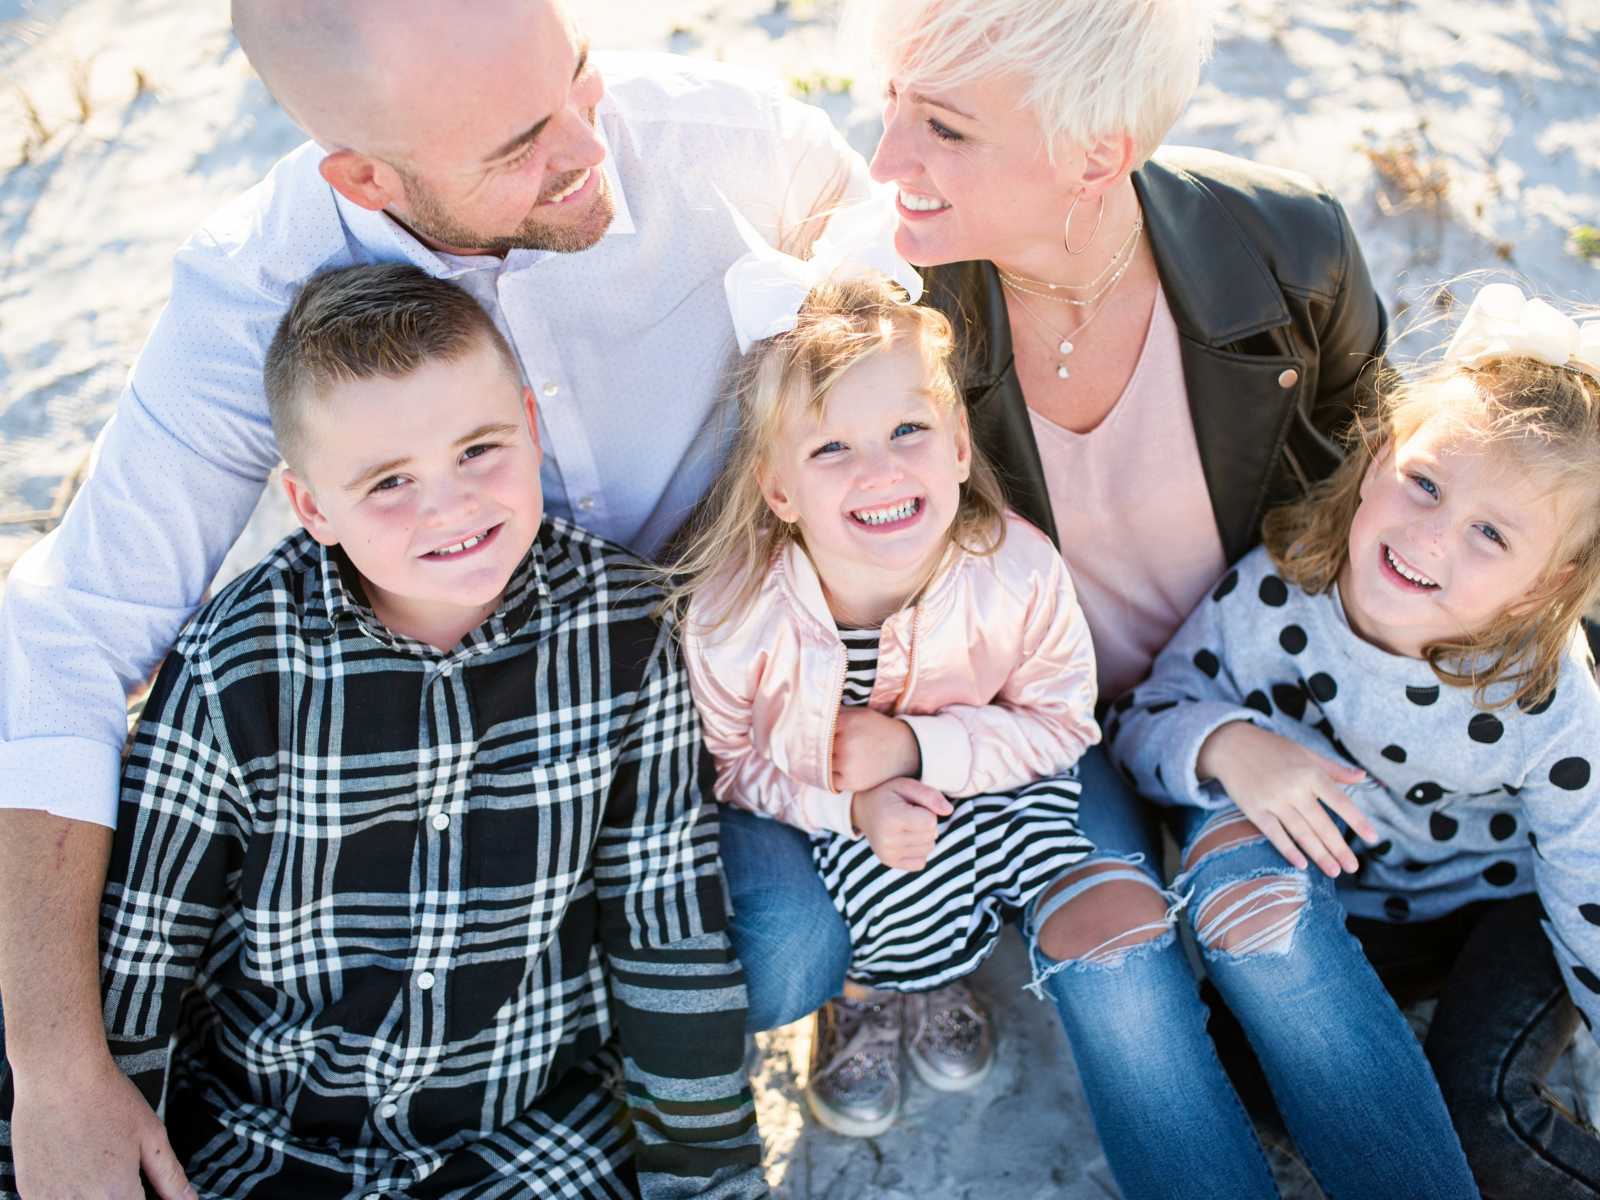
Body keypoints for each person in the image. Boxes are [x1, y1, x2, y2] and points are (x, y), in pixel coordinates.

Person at [0, 2, 866, 1194]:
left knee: (782, 942)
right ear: (363, 173)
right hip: (396, 737)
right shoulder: (251, 287)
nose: (587, 149)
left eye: (577, 79)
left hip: (674, 696)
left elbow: (878, 264)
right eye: (518, 146)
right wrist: (55, 1067)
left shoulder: (716, 143)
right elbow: (63, 639)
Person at [721, 0, 1412, 1192]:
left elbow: (1380, 511)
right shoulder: (892, 308)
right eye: (890, 108)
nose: (884, 160)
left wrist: (1248, 735)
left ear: (1096, 152)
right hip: (1027, 729)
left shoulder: (1288, 252)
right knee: (1120, 972)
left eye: (940, 125)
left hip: (1235, 696)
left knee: (1275, 939)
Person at [0, 264, 767, 1199]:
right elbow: (145, 944)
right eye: (389, 481)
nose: (450, 508)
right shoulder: (238, 667)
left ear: (530, 424)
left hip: (529, 1130)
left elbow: (664, 924)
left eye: (479, 449)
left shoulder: (626, 630)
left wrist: (708, 1180)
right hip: (269, 1130)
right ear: (313, 507)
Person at [1112, 284, 1600, 1199]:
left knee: (1480, 1113)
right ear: (1379, 457)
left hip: (1507, 910)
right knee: (1242, 1061)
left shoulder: (1547, 695)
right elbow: (1141, 721)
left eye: (1491, 534)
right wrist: (1227, 745)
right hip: (1363, 910)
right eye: (1425, 483)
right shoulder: (1278, 594)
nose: (1430, 537)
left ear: (1544, 585)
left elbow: (1590, 879)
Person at [670, 203, 1099, 1136]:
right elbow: (724, 765)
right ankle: (857, 991)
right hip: (811, 805)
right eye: (830, 448)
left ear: (955, 446)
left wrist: (917, 748)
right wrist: (846, 804)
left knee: (981, 846)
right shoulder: (737, 613)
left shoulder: (1016, 573)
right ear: (778, 490)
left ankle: (939, 967)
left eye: (907, 432)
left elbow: (1065, 725)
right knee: (865, 863)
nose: (878, 472)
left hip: (971, 774)